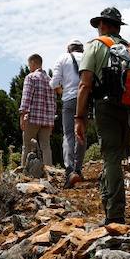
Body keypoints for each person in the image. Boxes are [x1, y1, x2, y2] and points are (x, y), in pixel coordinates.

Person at [76, 7, 130, 226]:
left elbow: (84, 84)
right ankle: (107, 200)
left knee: (110, 157)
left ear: (102, 25)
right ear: (119, 26)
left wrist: (79, 119)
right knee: (115, 157)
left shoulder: (96, 45)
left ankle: (115, 213)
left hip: (107, 105)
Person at [50, 39, 86, 187]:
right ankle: (78, 169)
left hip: (69, 99)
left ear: (68, 49)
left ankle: (69, 170)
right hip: (85, 99)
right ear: (81, 49)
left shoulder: (62, 58)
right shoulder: (86, 57)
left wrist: (61, 91)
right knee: (82, 133)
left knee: (69, 134)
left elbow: (54, 83)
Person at [18, 53, 56, 175]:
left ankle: (24, 172)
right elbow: (54, 103)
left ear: (33, 63)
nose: (29, 67)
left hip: (33, 118)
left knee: (27, 146)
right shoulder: (50, 80)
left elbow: (26, 97)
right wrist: (52, 120)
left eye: (29, 65)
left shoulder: (31, 77)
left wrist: (22, 115)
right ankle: (50, 173)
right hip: (47, 120)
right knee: (46, 147)